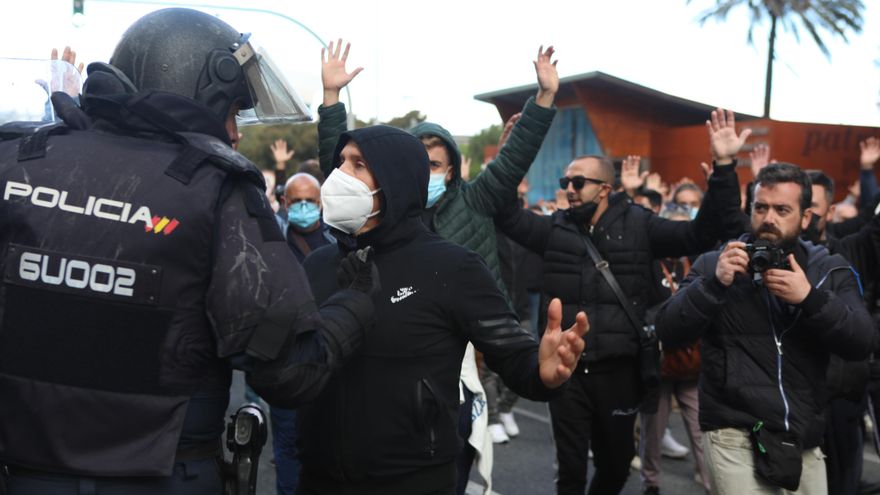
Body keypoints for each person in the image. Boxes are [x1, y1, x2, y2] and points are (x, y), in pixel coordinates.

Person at [0, 8, 375, 494]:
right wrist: (356, 304)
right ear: (204, 88)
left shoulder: (18, 159)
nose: (236, 133)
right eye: (234, 112)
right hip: (162, 476)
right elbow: (290, 371)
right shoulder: (216, 189)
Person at [317, 40, 560, 490]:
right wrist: (331, 102)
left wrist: (544, 99)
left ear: (451, 171)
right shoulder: (358, 236)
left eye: (434, 164)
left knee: (459, 433)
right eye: (417, 163)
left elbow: (512, 162)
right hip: (347, 444)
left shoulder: (475, 203)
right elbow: (343, 169)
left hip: (468, 345)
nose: (423, 173)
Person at [496, 108, 747, 494]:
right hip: (566, 373)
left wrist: (725, 166)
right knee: (571, 471)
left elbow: (702, 233)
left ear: (605, 189)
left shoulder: (640, 224)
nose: (570, 188)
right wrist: (507, 156)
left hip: (620, 372)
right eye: (567, 181)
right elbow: (506, 213)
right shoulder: (555, 229)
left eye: (579, 181)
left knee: (615, 467)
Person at [655, 163, 877, 494]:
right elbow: (668, 330)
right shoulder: (715, 262)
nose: (769, 217)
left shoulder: (828, 269)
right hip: (734, 431)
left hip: (802, 434)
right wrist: (715, 285)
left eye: (782, 209)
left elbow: (861, 341)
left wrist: (809, 299)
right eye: (761, 207)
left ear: (805, 218)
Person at [639, 203, 711, 495]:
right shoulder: (647, 262)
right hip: (657, 359)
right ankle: (651, 483)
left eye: (686, 228)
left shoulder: (695, 261)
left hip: (692, 360)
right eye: (675, 229)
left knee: (702, 429)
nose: (681, 235)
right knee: (653, 431)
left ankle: (711, 483)